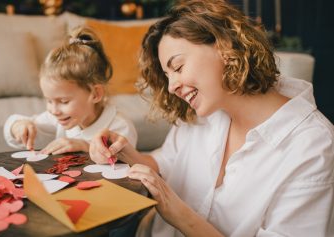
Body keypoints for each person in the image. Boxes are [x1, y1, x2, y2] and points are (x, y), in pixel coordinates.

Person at [89, 0, 334, 236]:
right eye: (167, 75)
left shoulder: (312, 148)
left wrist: (178, 213)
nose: (172, 86)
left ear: (225, 46)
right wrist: (121, 151)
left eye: (178, 67)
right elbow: (165, 162)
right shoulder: (203, 112)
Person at [4, 26, 137, 155]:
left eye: (64, 101)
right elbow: (13, 125)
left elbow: (124, 165)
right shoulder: (60, 117)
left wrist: (84, 146)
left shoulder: (120, 127)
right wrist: (19, 126)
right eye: (49, 101)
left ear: (96, 94)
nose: (53, 110)